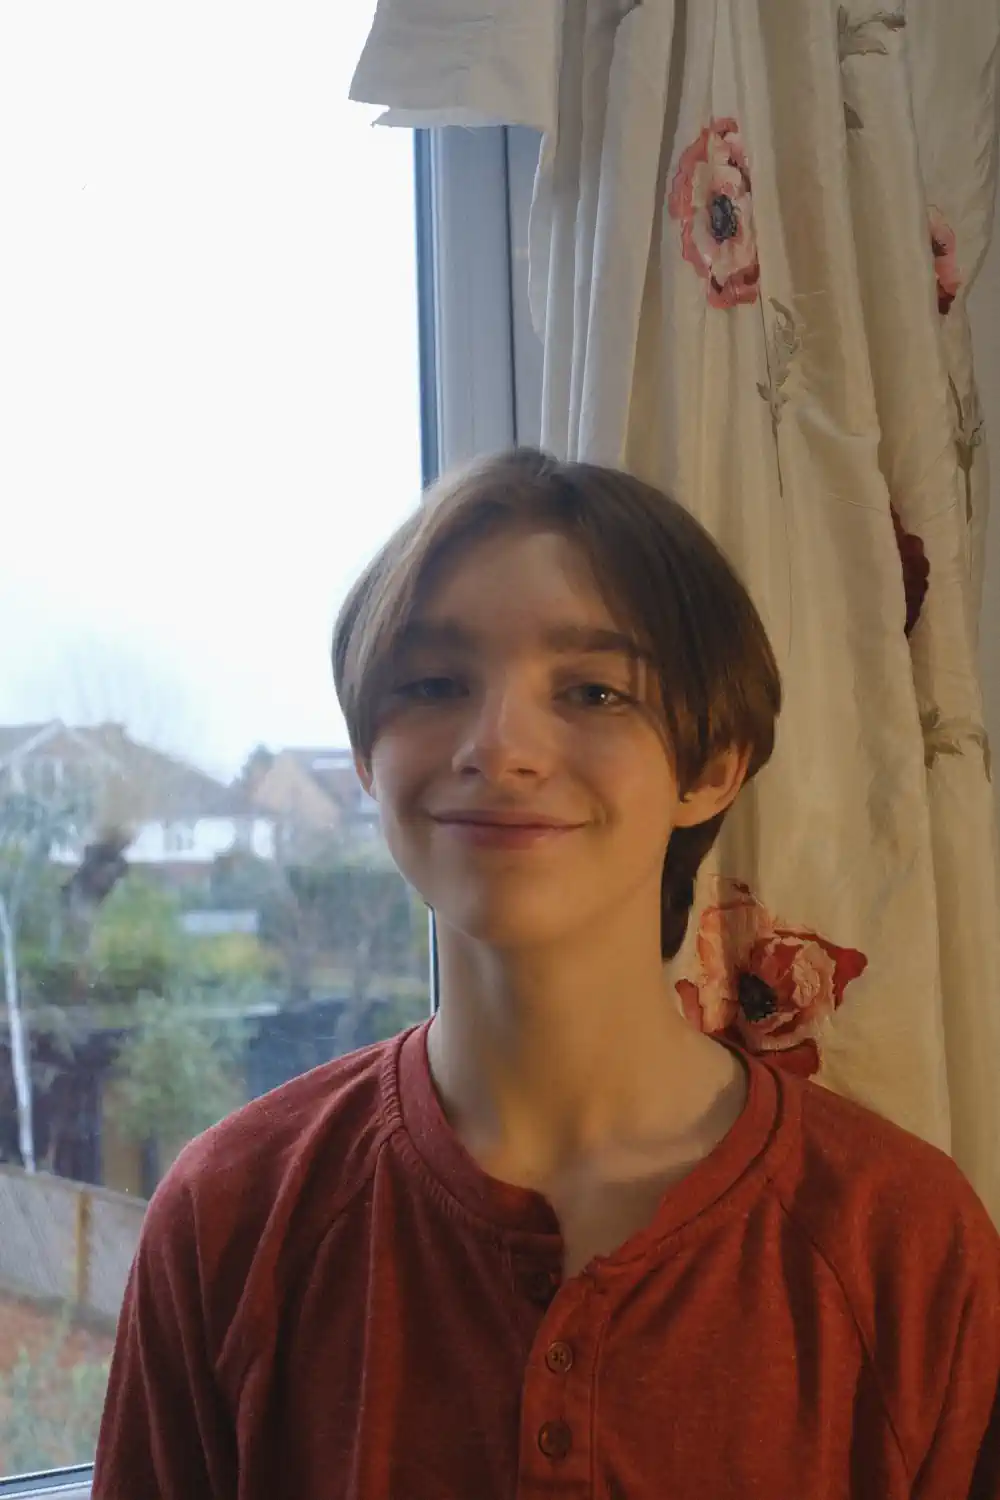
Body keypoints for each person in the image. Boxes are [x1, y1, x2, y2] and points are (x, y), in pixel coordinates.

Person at [92, 448, 1000, 1499]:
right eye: (433, 684)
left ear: (713, 767)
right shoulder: (230, 1216)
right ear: (366, 759)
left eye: (593, 690)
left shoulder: (899, 1239)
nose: (500, 745)